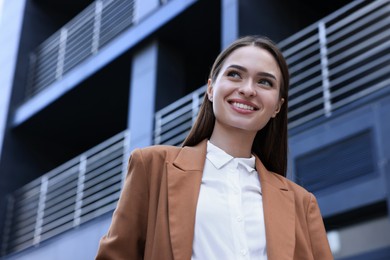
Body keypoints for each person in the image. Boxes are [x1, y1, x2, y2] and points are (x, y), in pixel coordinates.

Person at [95, 35, 333, 260]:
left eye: (264, 82)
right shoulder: (152, 167)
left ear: (277, 107)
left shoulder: (302, 203)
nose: (248, 89)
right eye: (235, 75)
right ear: (211, 88)